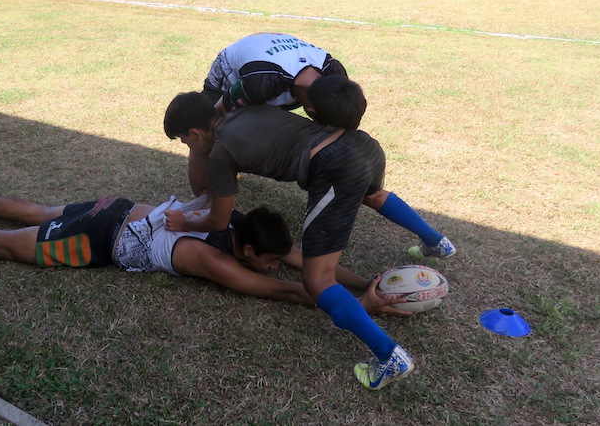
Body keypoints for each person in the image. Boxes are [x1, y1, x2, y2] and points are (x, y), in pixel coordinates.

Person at [163, 92, 457, 390]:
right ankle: (435, 242)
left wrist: (184, 222)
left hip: (335, 166)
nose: (189, 148)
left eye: (185, 142)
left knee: (317, 279)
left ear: (195, 133)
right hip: (364, 146)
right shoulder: (242, 110)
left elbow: (218, 220)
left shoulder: (220, 151)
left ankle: (388, 355)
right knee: (373, 195)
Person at [0, 192, 405, 316]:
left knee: (39, 211)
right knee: (4, 246)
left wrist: (362, 282)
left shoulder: (233, 219)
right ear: (249, 249)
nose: (274, 263)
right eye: (266, 259)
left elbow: (306, 265)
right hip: (98, 239)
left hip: (116, 207)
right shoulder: (210, 258)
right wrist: (360, 308)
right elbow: (285, 289)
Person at [201, 33, 364, 129]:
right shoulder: (261, 82)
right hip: (231, 70)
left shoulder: (335, 73)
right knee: (209, 125)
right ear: (312, 111)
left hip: (277, 71)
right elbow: (219, 111)